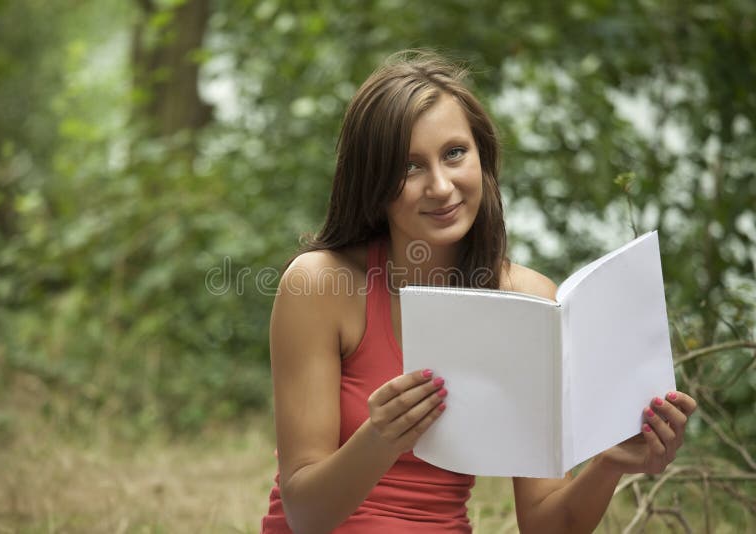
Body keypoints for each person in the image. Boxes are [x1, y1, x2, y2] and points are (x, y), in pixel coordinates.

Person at [260, 50, 697, 533]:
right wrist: (381, 438)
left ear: (482, 157)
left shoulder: (528, 300)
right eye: (410, 167)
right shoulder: (321, 284)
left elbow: (547, 525)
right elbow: (305, 515)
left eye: (454, 154)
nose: (442, 186)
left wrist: (612, 462)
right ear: (373, 183)